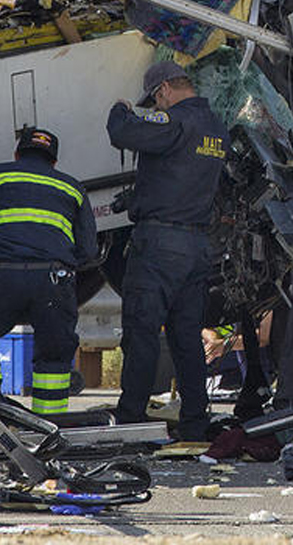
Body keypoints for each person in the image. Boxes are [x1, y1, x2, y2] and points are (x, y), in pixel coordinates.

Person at [106, 60, 228, 441]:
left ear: (163, 91)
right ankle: (195, 423)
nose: (157, 109)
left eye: (156, 102)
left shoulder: (175, 122)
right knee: (186, 338)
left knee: (141, 331)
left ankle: (130, 422)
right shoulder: (216, 129)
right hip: (197, 246)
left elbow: (122, 133)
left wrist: (121, 109)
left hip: (160, 245)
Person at [0, 126, 95, 416]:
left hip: (2, 274)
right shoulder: (72, 188)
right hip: (55, 280)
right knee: (54, 354)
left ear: (17, 154)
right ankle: (48, 427)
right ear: (54, 161)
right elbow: (88, 251)